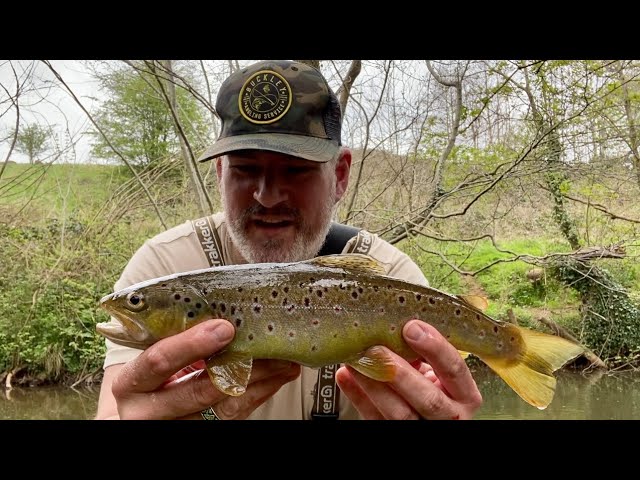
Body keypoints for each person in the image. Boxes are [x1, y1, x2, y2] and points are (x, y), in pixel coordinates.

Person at [95, 59, 483, 420]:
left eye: (296, 171)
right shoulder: (164, 265)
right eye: (246, 169)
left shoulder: (393, 279)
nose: (267, 195)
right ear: (219, 173)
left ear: (341, 176)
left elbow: (438, 385)